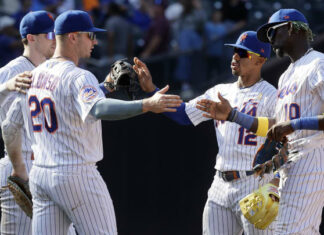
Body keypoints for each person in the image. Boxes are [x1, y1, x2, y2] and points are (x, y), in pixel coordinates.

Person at [2, 10, 182, 235]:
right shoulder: (79, 76)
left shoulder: (32, 76)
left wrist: (19, 168)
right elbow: (97, 108)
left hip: (40, 175)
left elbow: (10, 126)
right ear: (73, 37)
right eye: (90, 35)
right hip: (76, 174)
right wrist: (146, 104)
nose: (95, 41)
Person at [133, 31, 277, 234]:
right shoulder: (220, 91)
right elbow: (184, 115)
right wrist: (151, 90)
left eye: (243, 53)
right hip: (220, 184)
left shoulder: (272, 95)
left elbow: (288, 138)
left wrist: (275, 184)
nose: (235, 56)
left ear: (260, 60)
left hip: (254, 181)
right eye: (235, 51)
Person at [196, 9, 324, 234]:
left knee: (291, 231)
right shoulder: (286, 75)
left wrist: (294, 125)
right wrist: (234, 116)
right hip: (289, 164)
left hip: (311, 159)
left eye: (272, 33)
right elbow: (278, 124)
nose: (269, 41)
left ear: (291, 28)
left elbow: (290, 124)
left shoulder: (318, 64)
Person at [0, 11, 57, 235]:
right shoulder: (11, 70)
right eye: (49, 34)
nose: (54, 39)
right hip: (19, 164)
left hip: (47, 166)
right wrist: (6, 86)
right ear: (31, 38)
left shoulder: (50, 71)